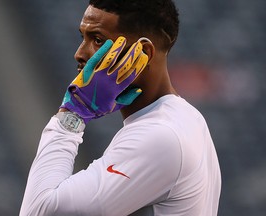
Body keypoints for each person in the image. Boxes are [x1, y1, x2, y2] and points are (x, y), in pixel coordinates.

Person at [20, 0, 221, 215]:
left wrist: (72, 115)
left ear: (143, 51)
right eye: (83, 38)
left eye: (97, 40)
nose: (79, 53)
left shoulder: (160, 136)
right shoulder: (187, 118)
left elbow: (39, 211)